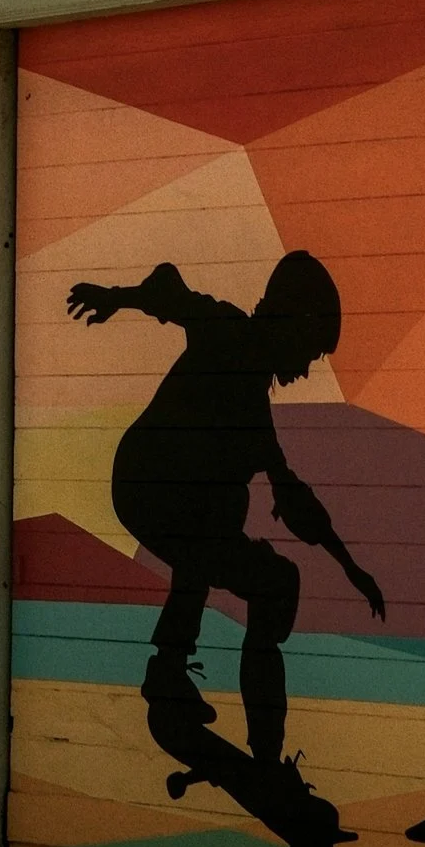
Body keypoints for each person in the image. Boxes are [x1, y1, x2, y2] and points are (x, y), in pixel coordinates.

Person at [66, 251, 386, 777]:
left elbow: (297, 499)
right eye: (308, 351)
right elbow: (170, 287)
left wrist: (350, 567)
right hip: (148, 480)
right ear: (288, 323)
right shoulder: (227, 330)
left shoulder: (257, 418)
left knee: (277, 582)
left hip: (186, 510)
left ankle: (265, 756)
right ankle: (169, 666)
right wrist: (113, 299)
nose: (306, 370)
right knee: (217, 507)